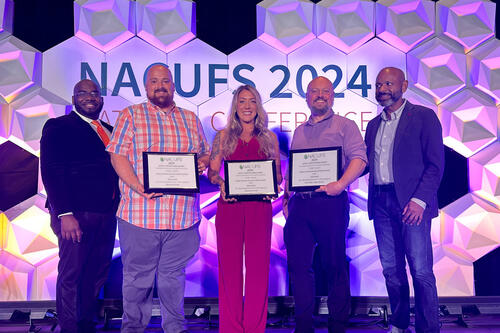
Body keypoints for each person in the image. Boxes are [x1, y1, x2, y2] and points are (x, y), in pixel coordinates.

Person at [106, 63, 210, 333]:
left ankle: (175, 329)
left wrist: (202, 162)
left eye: (165, 81)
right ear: (146, 87)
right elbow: (117, 154)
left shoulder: (190, 118)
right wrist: (139, 186)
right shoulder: (131, 115)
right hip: (140, 214)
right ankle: (133, 330)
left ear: (173, 86)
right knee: (138, 280)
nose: (160, 85)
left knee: (173, 279)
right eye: (154, 81)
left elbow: (205, 154)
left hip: (183, 218)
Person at [283, 76, 367, 333]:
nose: (320, 95)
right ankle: (304, 327)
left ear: (332, 96)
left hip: (331, 203)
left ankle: (338, 326)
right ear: (307, 97)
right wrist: (287, 199)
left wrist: (340, 184)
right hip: (301, 205)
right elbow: (295, 169)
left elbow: (360, 159)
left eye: (325, 91)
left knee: (334, 266)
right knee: (299, 268)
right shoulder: (299, 130)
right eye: (314, 91)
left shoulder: (346, 125)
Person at [365, 67, 444, 333]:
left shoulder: (423, 117)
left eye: (388, 83)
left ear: (404, 85)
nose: (382, 89)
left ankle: (428, 328)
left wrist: (419, 201)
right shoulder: (373, 125)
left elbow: (435, 165)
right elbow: (365, 163)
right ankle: (398, 324)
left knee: (420, 271)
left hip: (412, 204)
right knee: (392, 271)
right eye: (378, 85)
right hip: (381, 202)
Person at [40, 79, 119, 333]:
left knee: (96, 272)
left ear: (101, 100)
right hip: (75, 214)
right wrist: (64, 213)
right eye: (82, 93)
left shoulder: (110, 129)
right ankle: (70, 327)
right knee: (73, 274)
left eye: (94, 93)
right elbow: (52, 170)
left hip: (107, 213)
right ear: (73, 99)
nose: (89, 97)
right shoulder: (58, 126)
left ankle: (86, 324)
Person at [208, 85, 282, 333]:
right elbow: (211, 173)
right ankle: (231, 328)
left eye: (252, 101)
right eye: (242, 101)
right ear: (235, 106)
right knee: (229, 269)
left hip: (259, 208)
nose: (247, 106)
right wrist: (222, 184)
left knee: (259, 269)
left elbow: (278, 177)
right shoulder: (222, 137)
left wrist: (272, 184)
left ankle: (254, 327)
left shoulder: (269, 138)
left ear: (258, 105)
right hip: (229, 207)